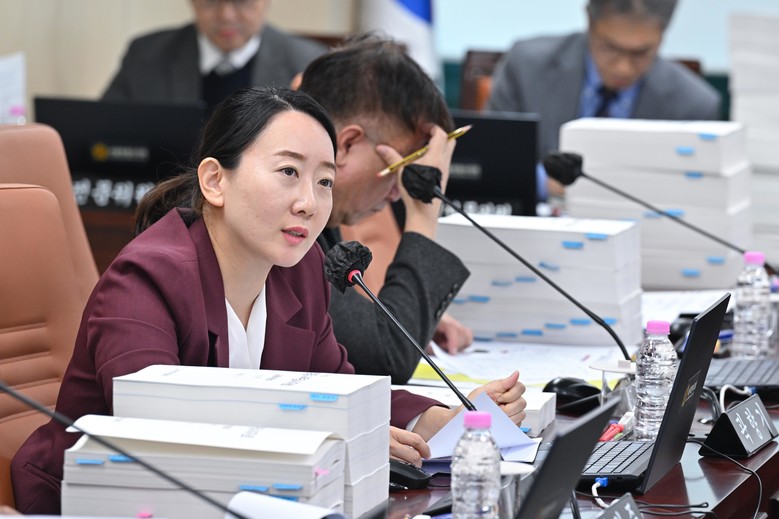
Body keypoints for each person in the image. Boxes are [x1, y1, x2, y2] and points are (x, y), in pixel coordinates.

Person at [11, 87, 526, 514]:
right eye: (288, 172)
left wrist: (437, 418)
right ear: (215, 180)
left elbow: (337, 388)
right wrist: (337, 429)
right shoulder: (145, 279)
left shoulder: (298, 273)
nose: (309, 202)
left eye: (325, 181)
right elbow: (158, 430)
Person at [297, 35, 473, 384]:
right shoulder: (285, 222)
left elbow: (362, 332)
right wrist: (423, 213)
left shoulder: (322, 214)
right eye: (400, 167)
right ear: (346, 145)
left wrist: (412, 317)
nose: (398, 192)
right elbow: (387, 357)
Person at [487, 0, 721, 200]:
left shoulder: (694, 104)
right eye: (610, 48)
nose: (623, 67)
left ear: (661, 37)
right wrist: (544, 182)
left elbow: (691, 195)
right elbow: (493, 160)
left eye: (640, 53)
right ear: (590, 22)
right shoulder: (527, 67)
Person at [102, 0, 326, 109]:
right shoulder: (147, 55)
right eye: (211, 1)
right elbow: (106, 128)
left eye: (242, 1)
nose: (226, 15)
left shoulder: (308, 62)